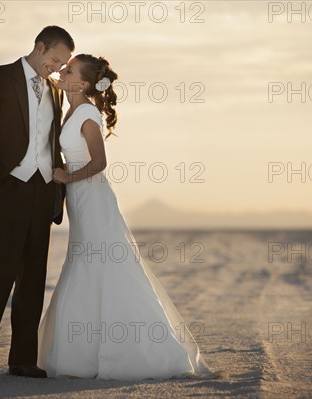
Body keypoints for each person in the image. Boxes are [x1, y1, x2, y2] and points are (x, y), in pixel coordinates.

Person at [37, 54, 212, 380]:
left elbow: (99, 162)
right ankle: (81, 351)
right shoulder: (69, 107)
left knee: (104, 266)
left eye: (69, 69)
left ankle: (135, 353)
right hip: (80, 201)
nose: (63, 71)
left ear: (84, 84)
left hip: (94, 200)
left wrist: (65, 178)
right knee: (84, 263)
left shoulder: (87, 113)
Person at [0, 26, 73, 382]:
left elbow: (50, 141)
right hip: (7, 190)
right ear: (39, 47)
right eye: (54, 60)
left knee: (34, 277)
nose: (57, 68)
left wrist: (58, 187)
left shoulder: (55, 91)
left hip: (42, 191)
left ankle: (22, 360)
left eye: (63, 63)